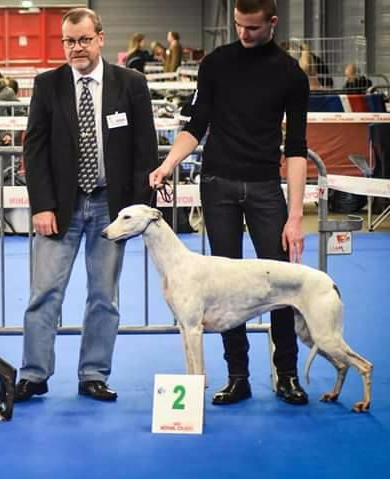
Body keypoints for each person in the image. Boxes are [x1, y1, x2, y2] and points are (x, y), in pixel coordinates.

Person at [149, 0, 310, 407]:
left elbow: (295, 149)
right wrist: (168, 163)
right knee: (221, 290)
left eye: (253, 28)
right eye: (238, 25)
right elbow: (196, 125)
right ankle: (237, 376)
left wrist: (295, 216)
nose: (244, 33)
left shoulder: (291, 74)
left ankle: (287, 375)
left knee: (281, 284)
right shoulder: (215, 64)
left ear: (272, 23)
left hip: (265, 189)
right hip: (217, 185)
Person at [15, 7, 158, 403]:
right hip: (60, 208)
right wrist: (42, 205)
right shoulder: (47, 85)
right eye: (69, 41)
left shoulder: (131, 84)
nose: (76, 48)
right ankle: (33, 374)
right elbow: (36, 149)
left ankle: (93, 374)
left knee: (103, 297)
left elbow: (145, 150)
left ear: (100, 38)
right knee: (44, 292)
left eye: (83, 39)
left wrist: (134, 213)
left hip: (110, 209)